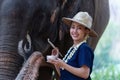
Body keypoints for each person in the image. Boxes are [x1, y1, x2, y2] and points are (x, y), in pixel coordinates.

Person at [47, 11, 98, 80]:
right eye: (73, 27)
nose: (75, 31)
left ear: (86, 31)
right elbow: (64, 75)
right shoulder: (73, 48)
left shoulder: (84, 48)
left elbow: (85, 73)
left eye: (79, 28)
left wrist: (63, 65)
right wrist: (56, 62)